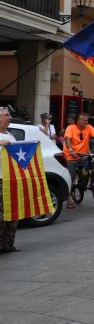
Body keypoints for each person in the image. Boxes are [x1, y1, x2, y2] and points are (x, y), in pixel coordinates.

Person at [63, 112, 94, 209]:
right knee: (70, 178)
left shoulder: (88, 127)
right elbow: (67, 140)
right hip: (71, 156)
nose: (86, 122)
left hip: (84, 155)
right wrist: (71, 151)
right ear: (78, 121)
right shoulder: (70, 128)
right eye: (84, 120)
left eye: (87, 120)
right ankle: (69, 198)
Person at [0, 107, 19, 253]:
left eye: (9, 115)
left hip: (12, 179)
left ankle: (8, 244)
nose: (9, 117)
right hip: (0, 179)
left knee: (12, 213)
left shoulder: (11, 135)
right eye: (6, 115)